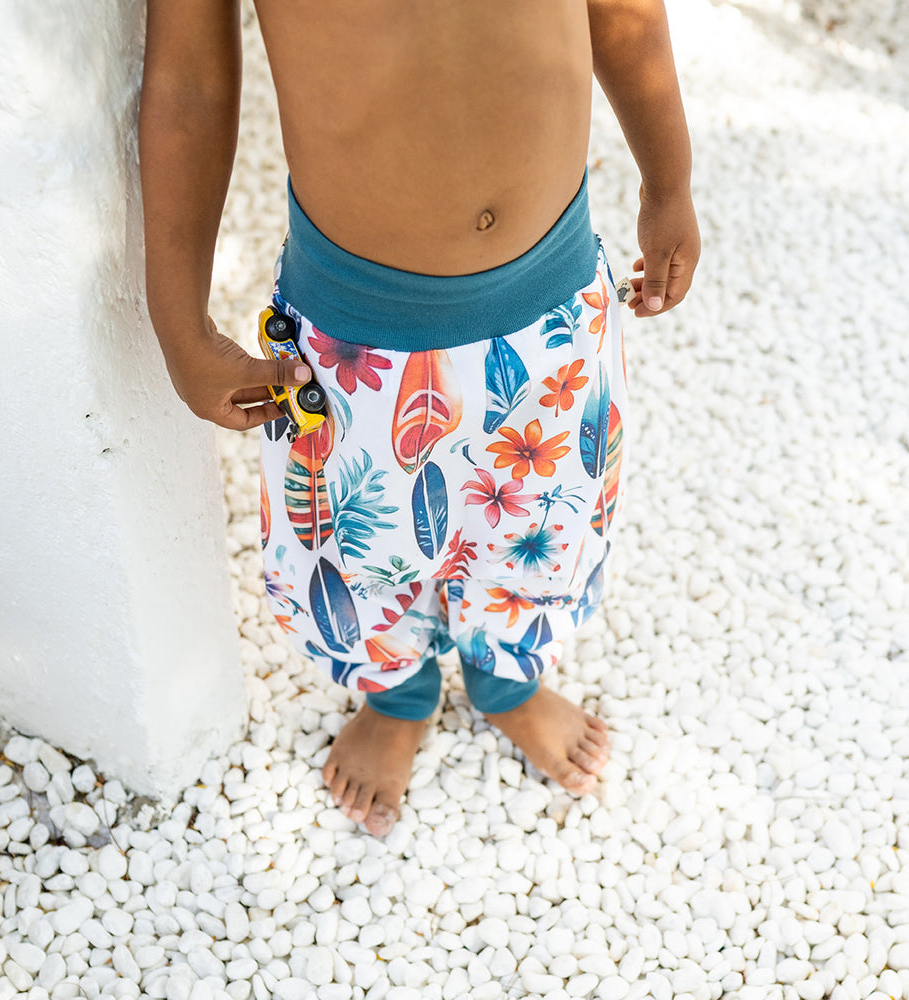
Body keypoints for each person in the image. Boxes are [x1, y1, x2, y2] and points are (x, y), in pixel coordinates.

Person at [139, 0, 700, 837]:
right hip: (359, 336)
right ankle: (397, 693)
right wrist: (179, 324)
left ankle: (506, 677)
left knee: (543, 519)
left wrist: (669, 182)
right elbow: (189, 82)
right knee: (362, 547)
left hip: (551, 305)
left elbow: (620, 12)